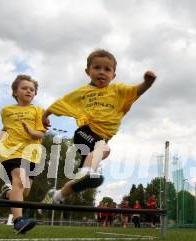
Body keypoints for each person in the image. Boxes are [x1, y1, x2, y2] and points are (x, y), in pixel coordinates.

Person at [41, 49, 156, 205]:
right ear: (88, 71)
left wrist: (147, 83)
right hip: (85, 133)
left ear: (113, 75)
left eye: (107, 69)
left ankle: (56, 196)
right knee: (104, 149)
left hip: (99, 140)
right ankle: (86, 172)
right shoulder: (82, 92)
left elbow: (136, 91)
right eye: (97, 68)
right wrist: (45, 114)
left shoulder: (118, 91)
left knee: (79, 179)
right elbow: (63, 102)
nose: (102, 72)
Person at [0, 74, 46, 233]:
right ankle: (18, 221)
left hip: (31, 153)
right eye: (24, 88)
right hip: (11, 152)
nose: (28, 91)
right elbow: (6, 130)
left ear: (35, 94)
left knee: (24, 190)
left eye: (32, 89)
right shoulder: (6, 111)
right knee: (18, 178)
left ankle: (9, 194)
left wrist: (30, 130)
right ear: (15, 92)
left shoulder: (38, 110)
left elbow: (40, 134)